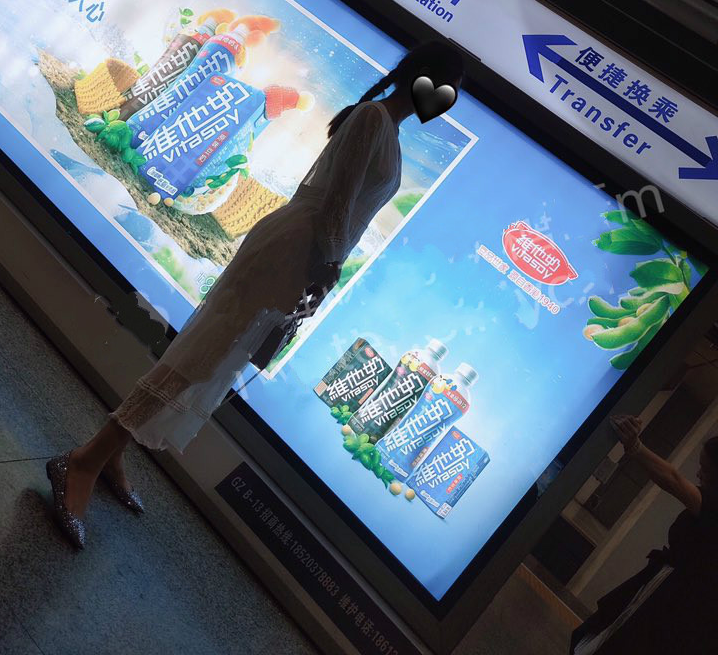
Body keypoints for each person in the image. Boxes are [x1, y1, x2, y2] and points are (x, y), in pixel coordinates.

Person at [45, 39, 466, 547]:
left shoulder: (387, 131)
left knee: (205, 359)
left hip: (307, 258)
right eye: (446, 89)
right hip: (297, 251)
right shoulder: (373, 121)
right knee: (199, 357)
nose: (443, 103)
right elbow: (337, 204)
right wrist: (329, 268)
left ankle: (111, 451)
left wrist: (324, 272)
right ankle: (83, 461)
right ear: (422, 76)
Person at [570, 415, 718, 655]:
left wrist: (635, 446)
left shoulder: (712, 506)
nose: (699, 474)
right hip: (675, 600)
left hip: (673, 603)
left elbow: (672, 478)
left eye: (706, 469)